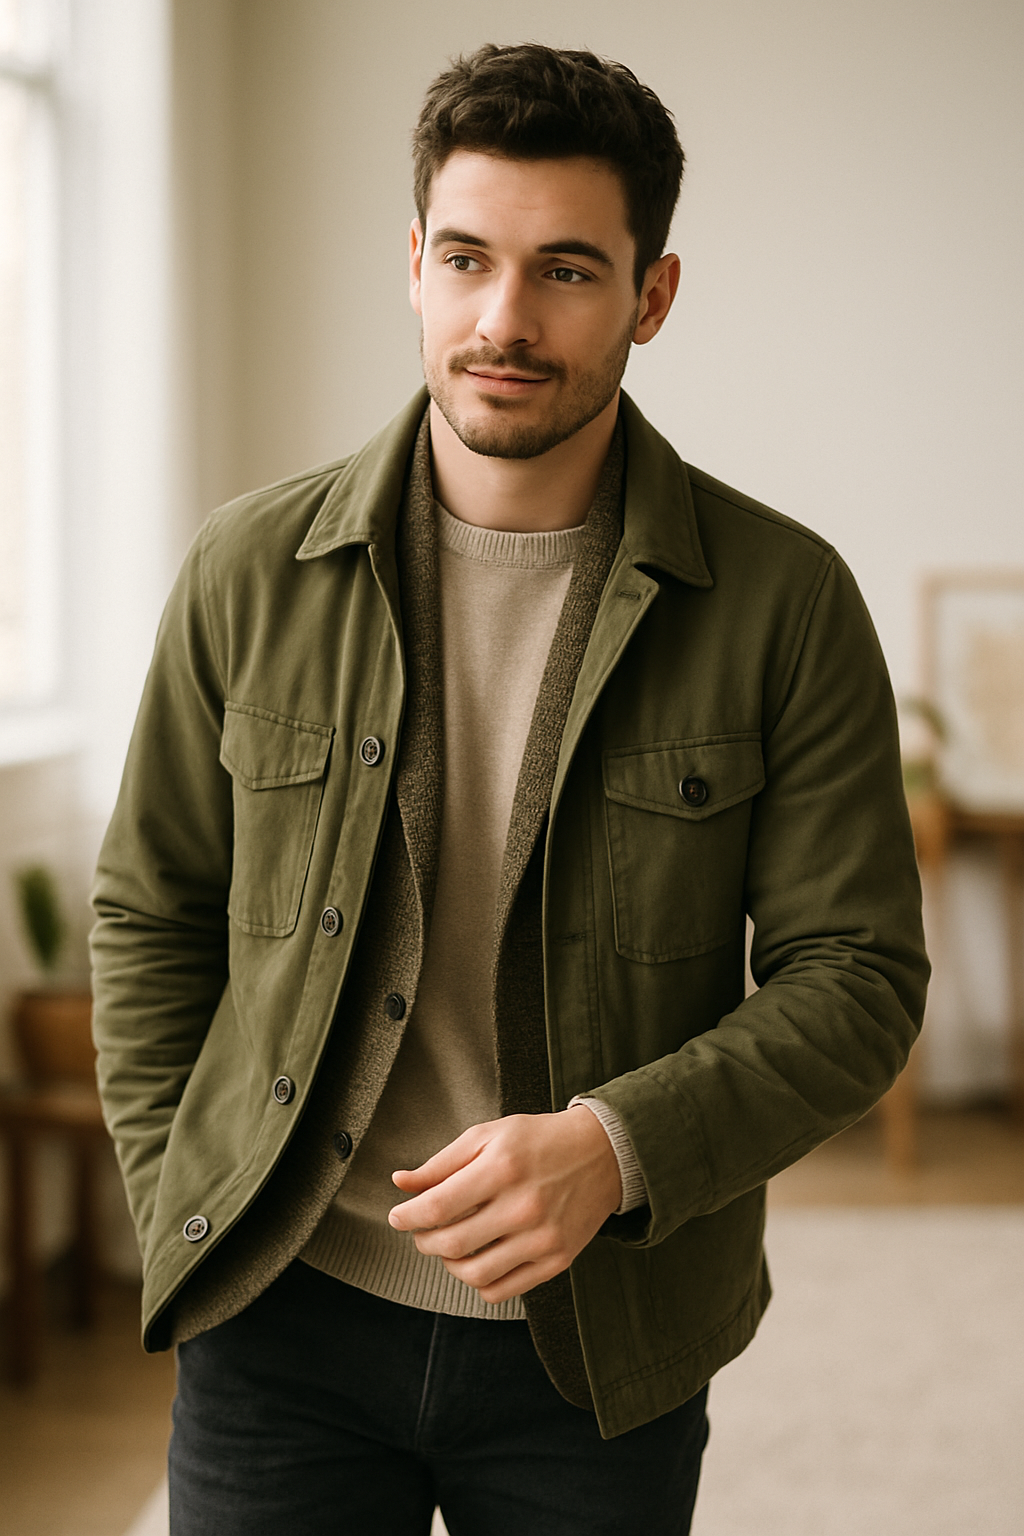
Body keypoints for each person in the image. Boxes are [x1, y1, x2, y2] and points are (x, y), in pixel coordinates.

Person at [91, 43, 928, 1536]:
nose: (503, 319)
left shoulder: (786, 600)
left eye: (566, 272)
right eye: (467, 258)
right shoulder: (244, 570)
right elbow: (151, 913)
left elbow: (858, 976)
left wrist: (619, 1148)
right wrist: (182, 1211)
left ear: (651, 298)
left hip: (601, 1346)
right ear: (414, 262)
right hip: (280, 1318)